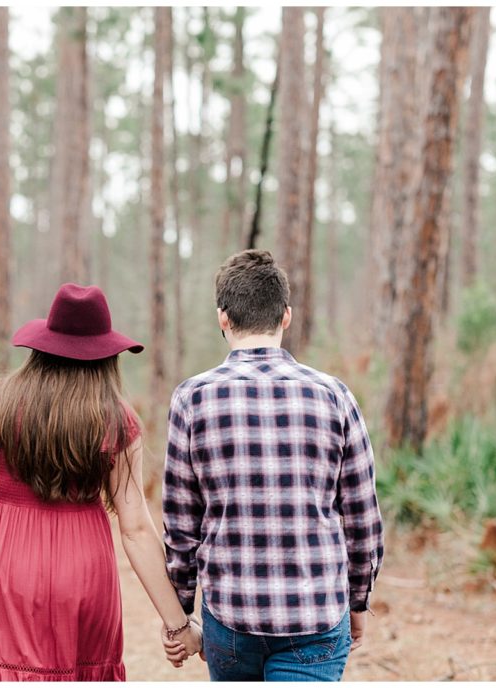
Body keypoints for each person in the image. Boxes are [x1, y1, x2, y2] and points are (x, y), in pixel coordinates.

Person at [0, 283, 202, 681]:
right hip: (84, 572)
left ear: (42, 345)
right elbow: (136, 527)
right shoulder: (116, 420)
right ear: (106, 355)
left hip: (5, 568)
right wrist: (178, 624)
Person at [160, 249, 385, 681]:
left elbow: (181, 522)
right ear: (286, 317)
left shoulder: (192, 398)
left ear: (223, 318)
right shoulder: (334, 395)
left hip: (230, 618)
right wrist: (358, 601)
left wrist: (184, 609)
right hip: (316, 617)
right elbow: (362, 517)